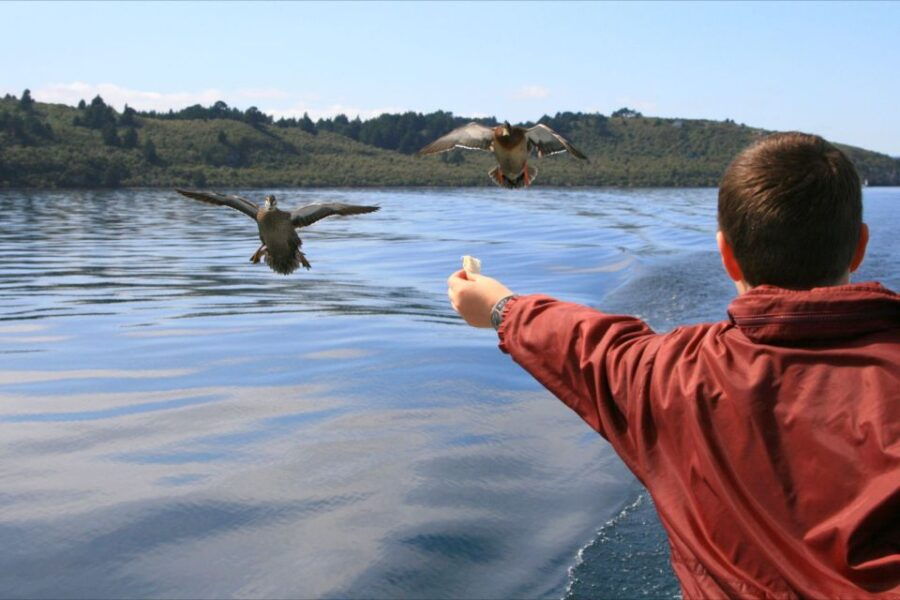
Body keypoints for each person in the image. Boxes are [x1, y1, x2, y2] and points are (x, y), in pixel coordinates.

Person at [447, 132, 899, 599]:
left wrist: (499, 306)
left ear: (726, 255)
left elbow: (580, 342)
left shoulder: (669, 375)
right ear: (858, 248)